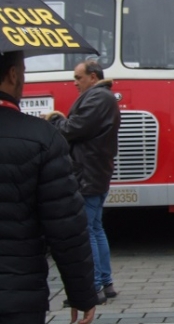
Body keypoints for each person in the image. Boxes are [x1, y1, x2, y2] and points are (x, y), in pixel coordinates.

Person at [0, 51, 97, 323]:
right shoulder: (42, 137)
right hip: (18, 297)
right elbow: (66, 227)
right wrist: (82, 293)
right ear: (13, 75)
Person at [44, 60, 121, 304]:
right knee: (96, 228)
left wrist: (55, 120)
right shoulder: (103, 97)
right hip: (96, 172)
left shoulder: (97, 98)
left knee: (86, 231)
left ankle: (94, 286)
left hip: (87, 174)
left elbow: (74, 129)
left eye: (78, 77)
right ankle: (106, 283)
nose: (75, 82)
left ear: (93, 77)